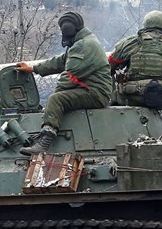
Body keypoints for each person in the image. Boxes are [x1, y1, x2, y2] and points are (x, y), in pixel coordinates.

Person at [16, 11, 111, 155]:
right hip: (90, 89)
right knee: (56, 99)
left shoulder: (85, 45)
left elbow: (70, 76)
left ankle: (45, 141)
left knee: (56, 99)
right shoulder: (82, 42)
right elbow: (60, 61)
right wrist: (34, 68)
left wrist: (54, 102)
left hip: (95, 93)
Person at [108, 10, 162, 118]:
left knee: (114, 86)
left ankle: (115, 120)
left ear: (145, 25)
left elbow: (109, 66)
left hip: (132, 96)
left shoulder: (131, 42)